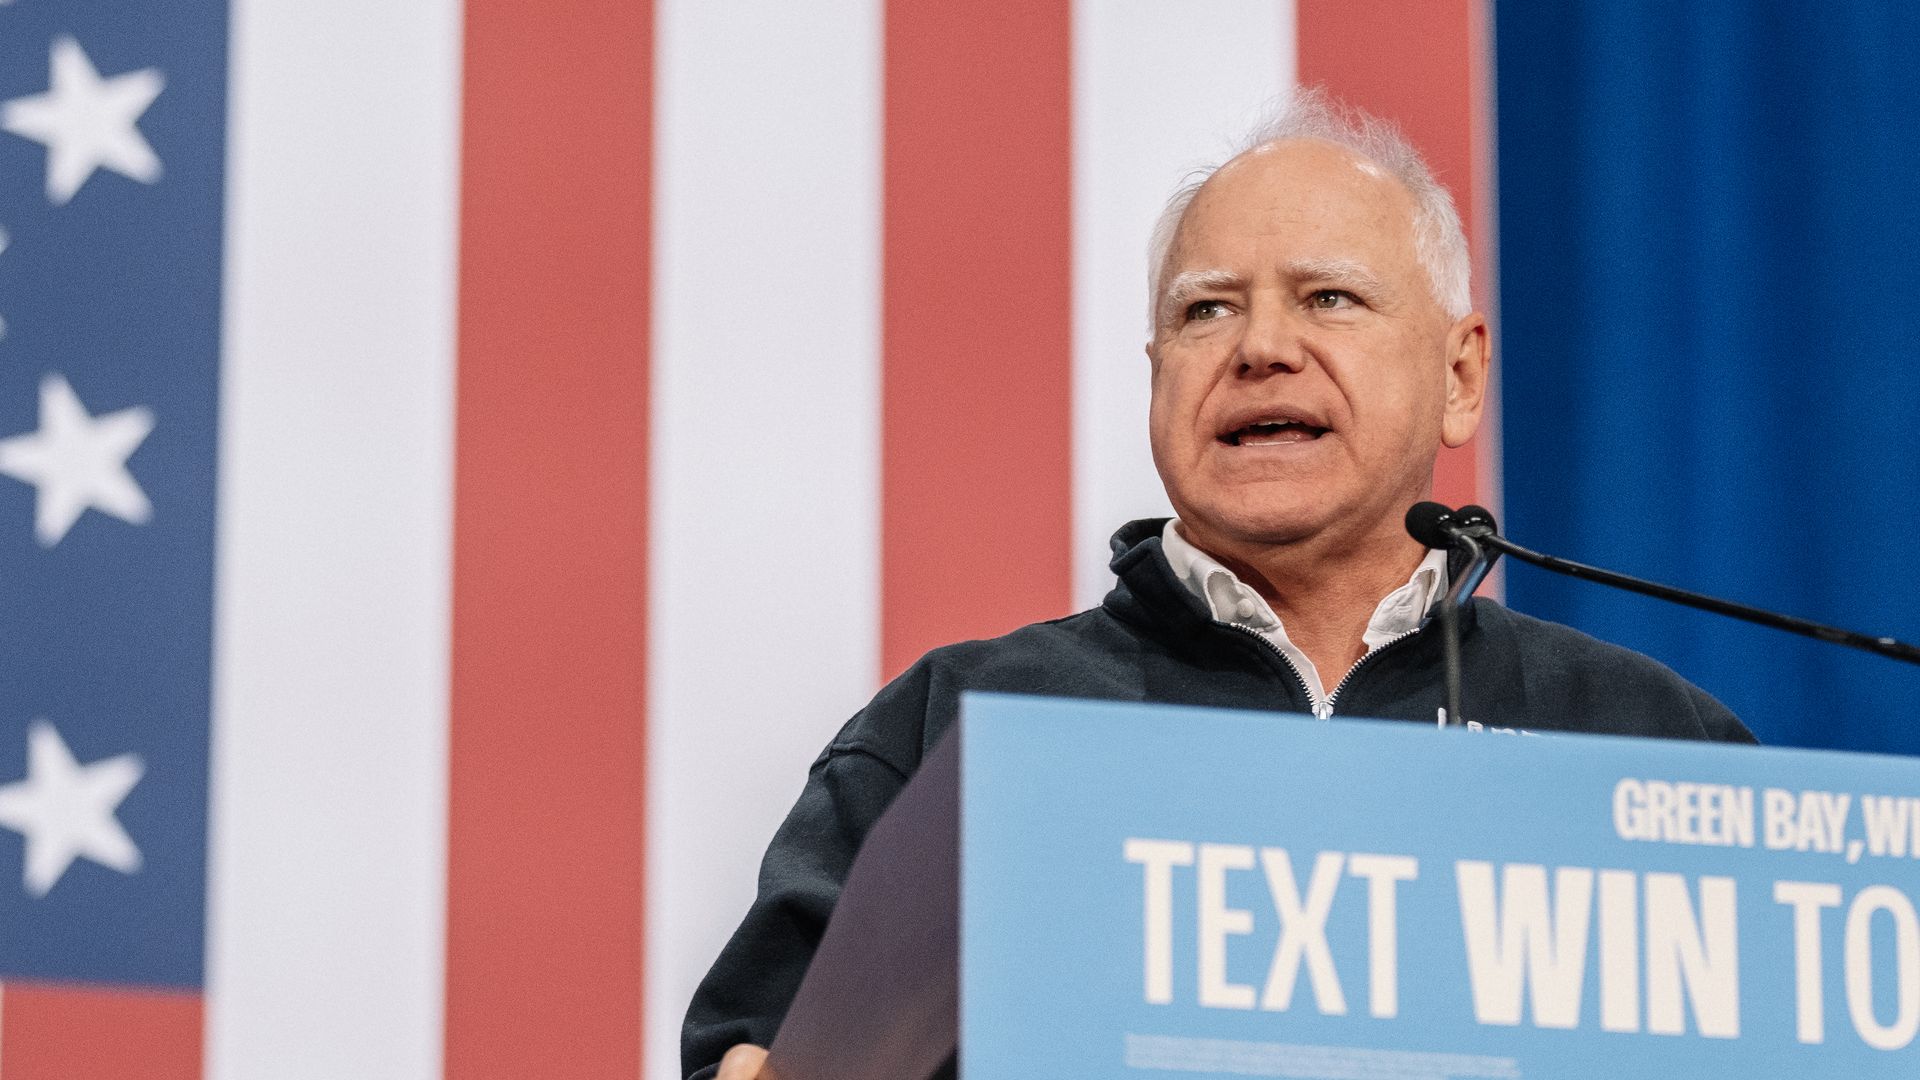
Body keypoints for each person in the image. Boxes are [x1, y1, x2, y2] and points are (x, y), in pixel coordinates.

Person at [684, 89, 1755, 1080]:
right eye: (1207, 312)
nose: (1262, 348)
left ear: (1460, 374)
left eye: (1328, 297)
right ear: (1159, 375)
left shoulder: (1647, 748)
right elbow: (768, 1052)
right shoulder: (960, 731)